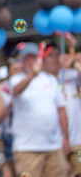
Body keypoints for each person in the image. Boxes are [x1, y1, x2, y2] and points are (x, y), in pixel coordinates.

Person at [9, 43, 68, 177]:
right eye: (27, 59)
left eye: (33, 58)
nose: (30, 62)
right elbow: (16, 91)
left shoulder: (52, 80)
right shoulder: (15, 79)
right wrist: (32, 76)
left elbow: (61, 110)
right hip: (26, 148)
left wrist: (65, 138)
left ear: (39, 59)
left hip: (54, 147)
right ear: (22, 61)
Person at [59, 33, 81, 177]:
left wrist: (73, 63)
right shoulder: (52, 78)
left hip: (78, 140)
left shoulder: (75, 78)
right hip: (57, 142)